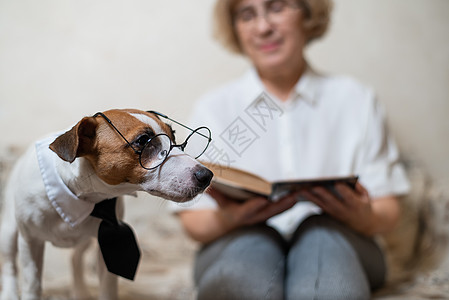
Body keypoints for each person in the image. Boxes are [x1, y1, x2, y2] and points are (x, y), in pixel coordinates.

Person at [170, 0, 410, 299]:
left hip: (343, 239)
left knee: (320, 236)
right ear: (236, 29)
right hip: (238, 238)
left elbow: (389, 212)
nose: (263, 27)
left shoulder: (356, 99)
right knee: (247, 255)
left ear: (307, 15)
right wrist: (233, 218)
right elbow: (194, 221)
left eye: (277, 7)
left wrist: (361, 216)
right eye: (247, 15)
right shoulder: (214, 109)